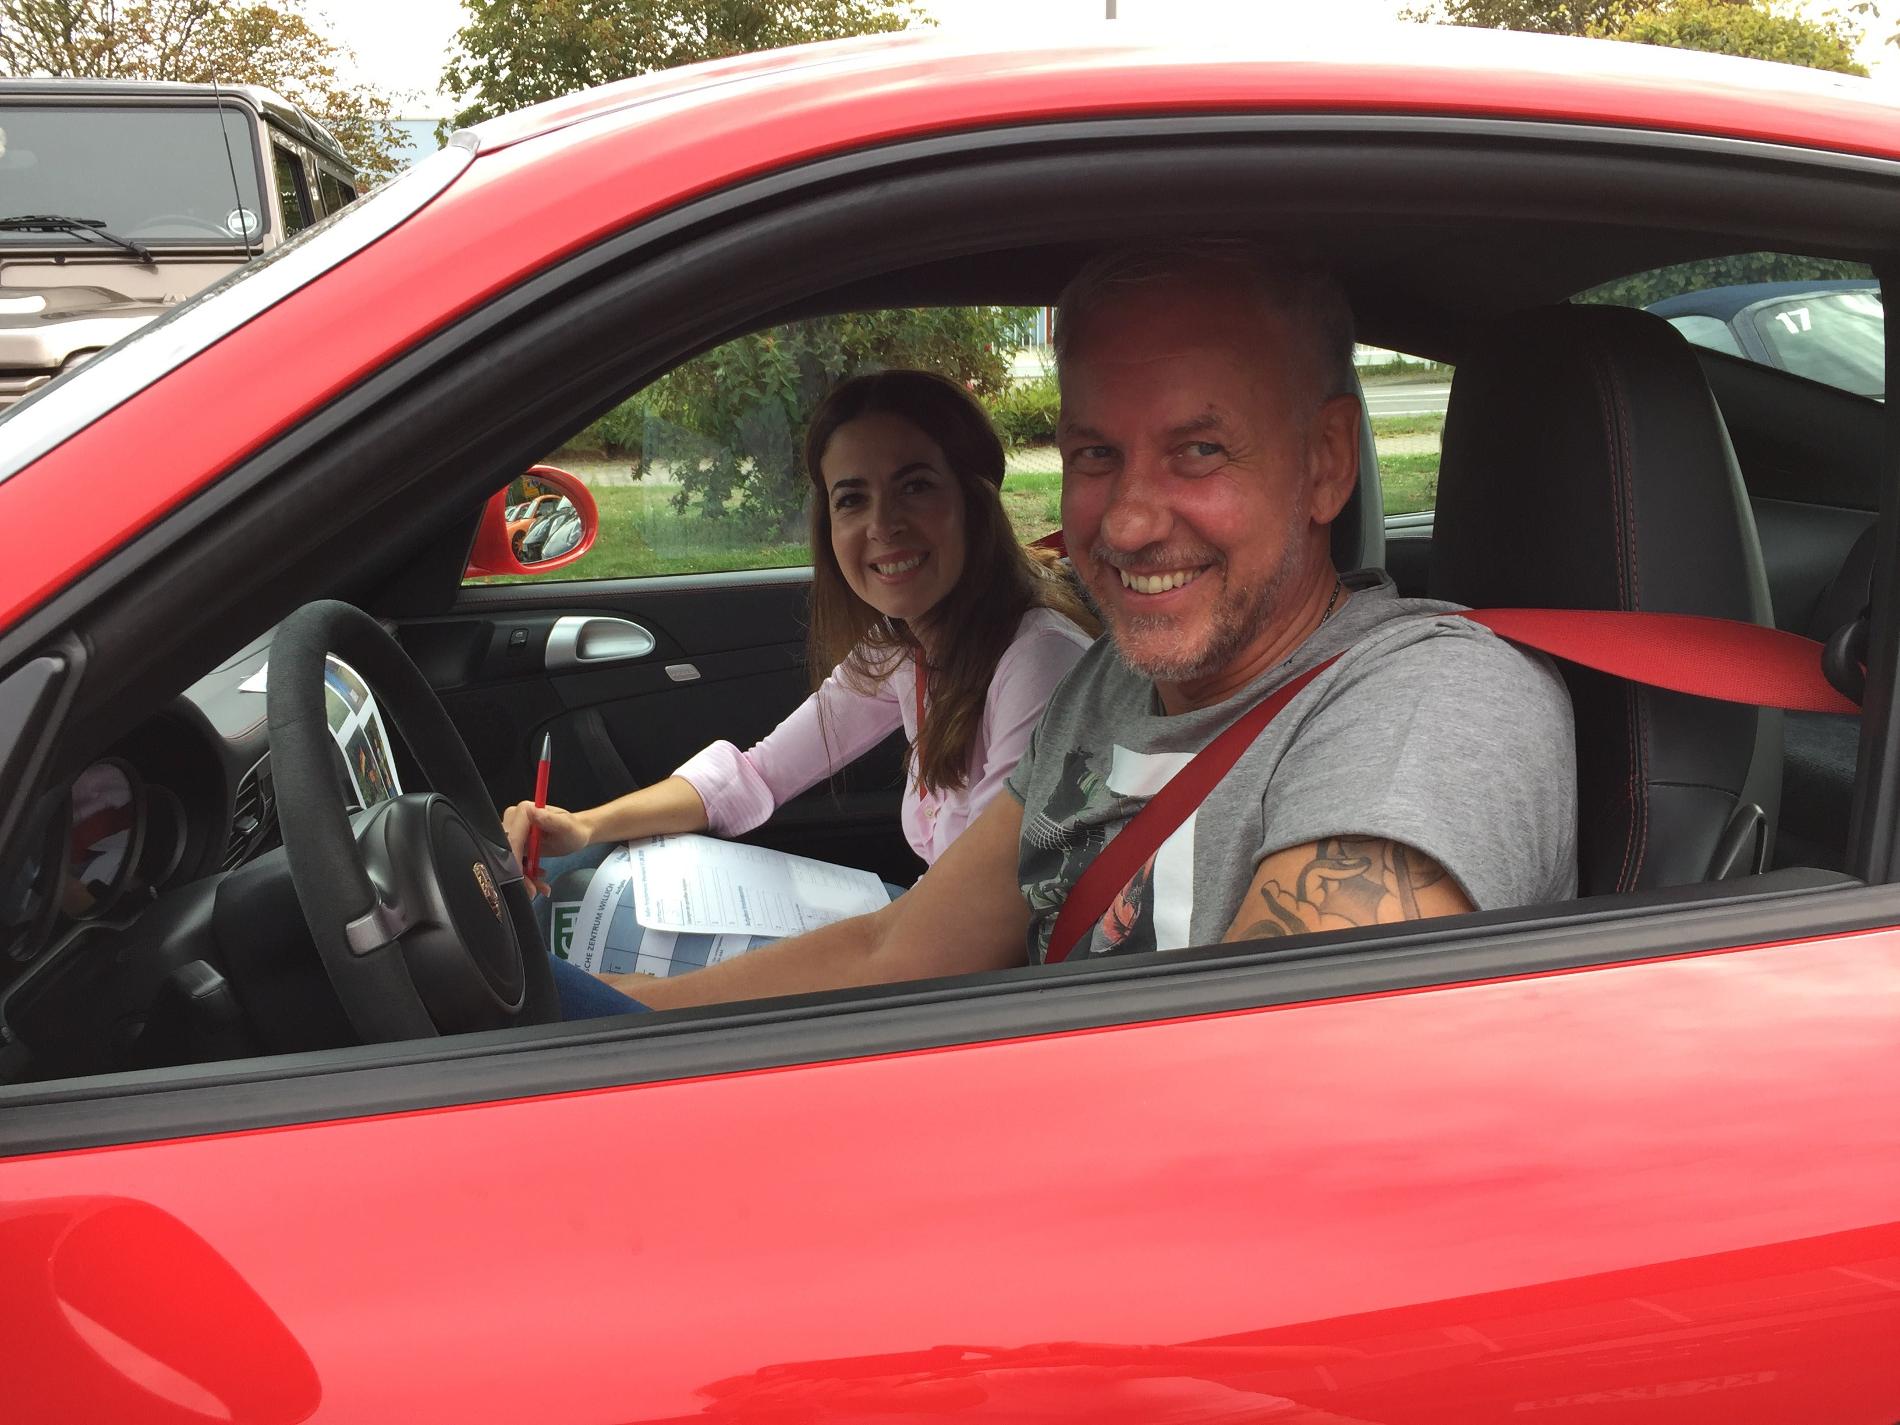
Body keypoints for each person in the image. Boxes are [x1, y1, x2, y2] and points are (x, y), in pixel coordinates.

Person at [600, 240, 1578, 1013]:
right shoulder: (1111, 682)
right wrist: (605, 1014)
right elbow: (897, 948)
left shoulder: (1432, 703)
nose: (1129, 523)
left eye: (1200, 449)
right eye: (1095, 454)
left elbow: (1273, 1105)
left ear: (1325, 464)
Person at [504, 370, 1095, 971]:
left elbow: (975, 932)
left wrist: (638, 1006)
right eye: (852, 499)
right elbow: (756, 774)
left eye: (915, 486)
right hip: (921, 931)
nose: (883, 525)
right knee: (578, 873)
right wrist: (584, 826)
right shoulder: (904, 643)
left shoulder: (1039, 664)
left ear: (975, 498)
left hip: (984, 979)